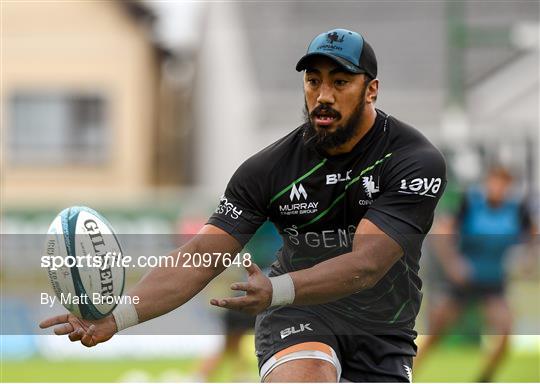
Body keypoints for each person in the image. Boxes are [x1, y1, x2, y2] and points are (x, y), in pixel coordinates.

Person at [40, 28, 446, 382]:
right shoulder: (268, 169)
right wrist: (116, 317)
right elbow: (199, 256)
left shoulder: (413, 160)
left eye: (340, 82)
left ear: (371, 89)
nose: (323, 96)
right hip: (298, 312)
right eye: (313, 80)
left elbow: (367, 265)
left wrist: (274, 289)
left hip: (382, 328)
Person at [415, 166, 535, 382]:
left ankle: (483, 379)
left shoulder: (517, 210)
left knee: (506, 331)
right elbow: (442, 231)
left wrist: (528, 257)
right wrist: (453, 264)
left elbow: (533, 233)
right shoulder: (469, 204)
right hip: (463, 281)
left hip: (493, 283)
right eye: (494, 182)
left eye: (503, 184)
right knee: (435, 334)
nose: (497, 188)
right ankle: (408, 374)